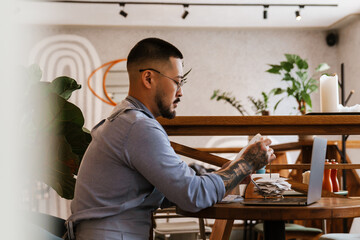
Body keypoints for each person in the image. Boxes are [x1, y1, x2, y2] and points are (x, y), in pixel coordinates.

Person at [65, 37, 276, 240]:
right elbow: (192, 195)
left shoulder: (126, 120)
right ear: (148, 78)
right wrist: (246, 163)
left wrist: (228, 173)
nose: (181, 92)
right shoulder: (139, 126)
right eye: (177, 82)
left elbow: (174, 190)